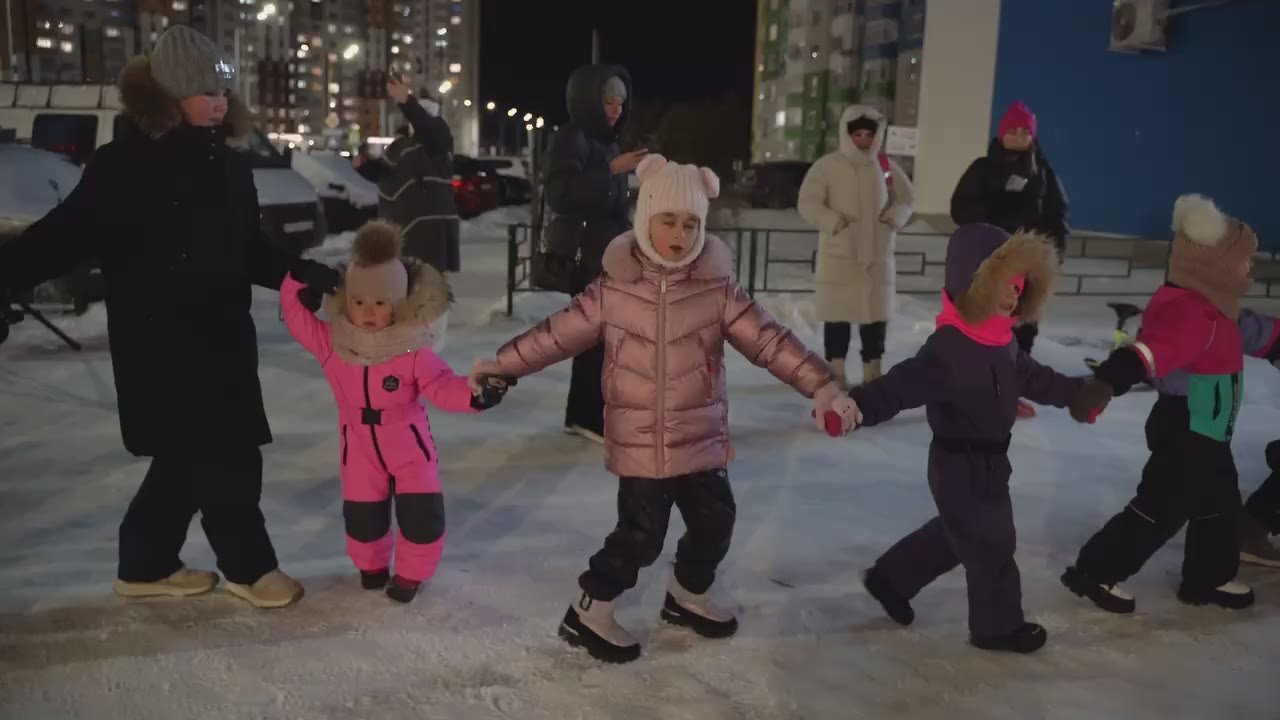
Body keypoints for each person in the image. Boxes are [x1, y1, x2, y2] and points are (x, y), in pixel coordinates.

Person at [470, 156, 852, 663]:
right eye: (668, 220)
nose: (679, 232)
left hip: (699, 437)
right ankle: (589, 607)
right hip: (642, 440)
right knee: (641, 537)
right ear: (645, 219)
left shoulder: (717, 289)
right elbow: (554, 337)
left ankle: (686, 595)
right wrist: (502, 367)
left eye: (691, 222)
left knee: (716, 521)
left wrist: (821, 385)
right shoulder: (614, 289)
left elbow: (769, 342)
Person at [0, 26, 331, 608]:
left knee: (186, 457)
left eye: (224, 90)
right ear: (168, 95)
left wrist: (304, 275)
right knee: (227, 456)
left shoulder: (230, 169)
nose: (220, 102)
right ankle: (250, 568)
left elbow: (247, 250)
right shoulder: (123, 165)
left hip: (224, 336)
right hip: (161, 344)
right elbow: (62, 237)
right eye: (205, 91)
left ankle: (145, 563)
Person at [848, 224, 1083, 654]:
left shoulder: (1003, 342)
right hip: (957, 464)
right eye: (1003, 285)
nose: (1013, 296)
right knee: (992, 542)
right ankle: (996, 627)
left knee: (959, 536)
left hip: (993, 462)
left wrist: (1077, 394)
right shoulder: (949, 348)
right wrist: (858, 405)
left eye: (1018, 287)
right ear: (973, 284)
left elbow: (1035, 378)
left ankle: (891, 578)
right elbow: (899, 386)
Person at [1065, 194, 1275, 614]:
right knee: (1161, 507)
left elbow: (1257, 333)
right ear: (1215, 268)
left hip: (1210, 427)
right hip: (1186, 426)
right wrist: (1107, 381)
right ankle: (1097, 569)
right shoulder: (1189, 314)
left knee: (1220, 505)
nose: (1250, 270)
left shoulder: (1221, 311)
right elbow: (1149, 351)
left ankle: (1208, 577)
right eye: (1243, 263)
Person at [280, 221, 507, 603]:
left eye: (381, 303)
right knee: (363, 517)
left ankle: (411, 573)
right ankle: (371, 566)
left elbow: (442, 386)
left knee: (420, 516)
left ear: (399, 304)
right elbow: (296, 316)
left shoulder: (411, 349)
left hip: (409, 447)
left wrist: (474, 396)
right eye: (359, 301)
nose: (368, 312)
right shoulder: (334, 343)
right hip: (359, 450)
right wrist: (298, 280)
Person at [541, 64, 646, 443]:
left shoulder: (607, 143)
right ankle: (587, 416)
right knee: (596, 336)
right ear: (588, 102)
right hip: (584, 254)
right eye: (608, 101)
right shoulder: (572, 137)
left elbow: (608, 205)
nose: (616, 109)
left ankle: (585, 413)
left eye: (621, 102)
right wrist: (610, 170)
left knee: (603, 336)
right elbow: (560, 194)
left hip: (606, 253)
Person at [951, 101, 1069, 417]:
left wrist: (1055, 256)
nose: (1018, 136)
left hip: (1029, 270)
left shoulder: (1043, 173)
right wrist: (1002, 204)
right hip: (989, 265)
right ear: (1001, 134)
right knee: (982, 328)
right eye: (1012, 131)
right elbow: (960, 209)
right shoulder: (982, 169)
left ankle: (1009, 390)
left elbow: (1058, 218)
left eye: (1024, 131)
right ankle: (973, 390)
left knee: (1021, 332)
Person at [798, 105, 914, 389]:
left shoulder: (886, 167)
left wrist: (894, 218)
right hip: (840, 255)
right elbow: (808, 202)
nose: (863, 139)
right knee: (837, 318)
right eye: (857, 133)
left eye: (868, 134)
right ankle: (835, 372)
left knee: (875, 320)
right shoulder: (827, 166)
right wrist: (833, 222)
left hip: (877, 254)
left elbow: (907, 198)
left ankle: (873, 371)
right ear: (846, 134)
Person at [379, 75, 460, 273]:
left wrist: (406, 101)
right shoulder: (402, 147)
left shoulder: (438, 142)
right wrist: (364, 165)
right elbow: (385, 175)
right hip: (402, 229)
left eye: (423, 115)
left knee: (425, 291)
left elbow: (428, 128)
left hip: (428, 234)